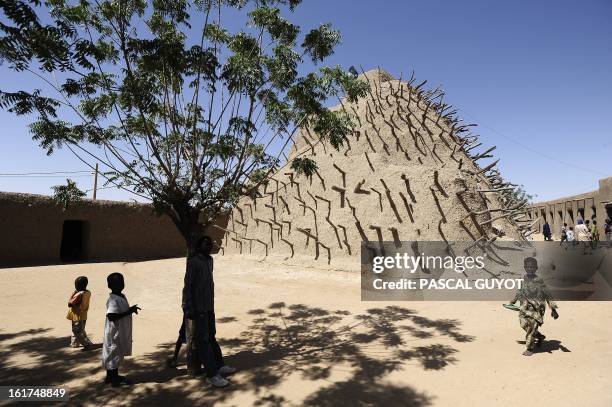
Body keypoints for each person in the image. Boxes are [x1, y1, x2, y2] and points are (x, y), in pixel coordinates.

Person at [182, 235, 236, 388]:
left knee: (211, 335)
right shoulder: (193, 262)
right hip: (198, 308)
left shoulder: (209, 261)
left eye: (210, 244)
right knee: (203, 341)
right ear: (199, 246)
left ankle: (219, 365)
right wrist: (188, 307)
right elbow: (188, 286)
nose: (208, 246)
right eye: (205, 244)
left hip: (209, 306)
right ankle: (212, 374)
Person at [508, 257, 559, 356]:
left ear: (536, 268)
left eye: (532, 267)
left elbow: (547, 294)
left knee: (531, 327)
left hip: (537, 308)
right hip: (525, 307)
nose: (530, 269)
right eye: (528, 267)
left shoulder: (539, 281)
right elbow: (519, 291)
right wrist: (513, 301)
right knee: (523, 325)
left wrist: (553, 309)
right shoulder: (522, 279)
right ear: (524, 267)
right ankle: (539, 336)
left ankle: (530, 348)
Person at [102, 273, 141, 387]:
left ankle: (110, 376)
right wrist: (129, 312)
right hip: (114, 333)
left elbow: (120, 311)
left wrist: (130, 309)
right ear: (110, 285)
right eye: (117, 283)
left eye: (121, 282)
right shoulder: (113, 299)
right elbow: (111, 316)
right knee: (114, 354)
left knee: (113, 353)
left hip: (118, 331)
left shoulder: (121, 296)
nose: (121, 284)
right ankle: (114, 379)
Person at [66, 276, 94, 350]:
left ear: (78, 286)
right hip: (83, 314)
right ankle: (75, 343)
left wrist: (74, 294)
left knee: (77, 331)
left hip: (77, 315)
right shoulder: (88, 292)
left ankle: (87, 344)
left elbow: (69, 304)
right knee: (80, 329)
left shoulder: (78, 294)